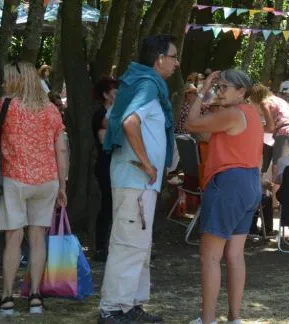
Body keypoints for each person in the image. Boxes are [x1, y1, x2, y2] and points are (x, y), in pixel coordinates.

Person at [99, 34, 179, 324]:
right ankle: (112, 309)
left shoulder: (143, 83)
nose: (177, 62)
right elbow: (129, 122)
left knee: (139, 246)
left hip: (138, 181)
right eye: (173, 56)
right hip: (135, 179)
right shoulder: (147, 85)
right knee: (128, 245)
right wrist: (148, 164)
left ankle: (130, 305)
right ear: (159, 59)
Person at [185, 69, 263, 324]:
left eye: (224, 87)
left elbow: (191, 123)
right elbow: (207, 133)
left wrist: (202, 90)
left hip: (229, 183)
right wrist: (213, 98)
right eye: (218, 87)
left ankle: (207, 320)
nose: (220, 91)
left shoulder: (232, 113)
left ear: (241, 91)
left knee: (210, 256)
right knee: (235, 255)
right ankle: (234, 317)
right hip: (250, 182)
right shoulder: (252, 113)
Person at [0, 62, 68, 315]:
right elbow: (61, 148)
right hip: (47, 180)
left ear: (17, 80)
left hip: (15, 178)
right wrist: (63, 184)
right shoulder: (50, 110)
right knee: (38, 238)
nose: (4, 83)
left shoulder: (5, 105)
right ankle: (35, 297)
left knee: (13, 238)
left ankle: (7, 298)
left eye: (7, 79)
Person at [92, 77, 118, 262]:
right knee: (108, 205)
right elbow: (104, 140)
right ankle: (101, 247)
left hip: (115, 165)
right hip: (105, 165)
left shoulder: (116, 112)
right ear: (105, 94)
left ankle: (112, 245)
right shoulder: (101, 114)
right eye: (114, 91)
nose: (118, 94)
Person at [251, 84, 289, 168]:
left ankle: (274, 180)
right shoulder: (280, 100)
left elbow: (270, 127)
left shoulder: (264, 103)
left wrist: (255, 130)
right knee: (288, 165)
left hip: (283, 133)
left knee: (277, 165)